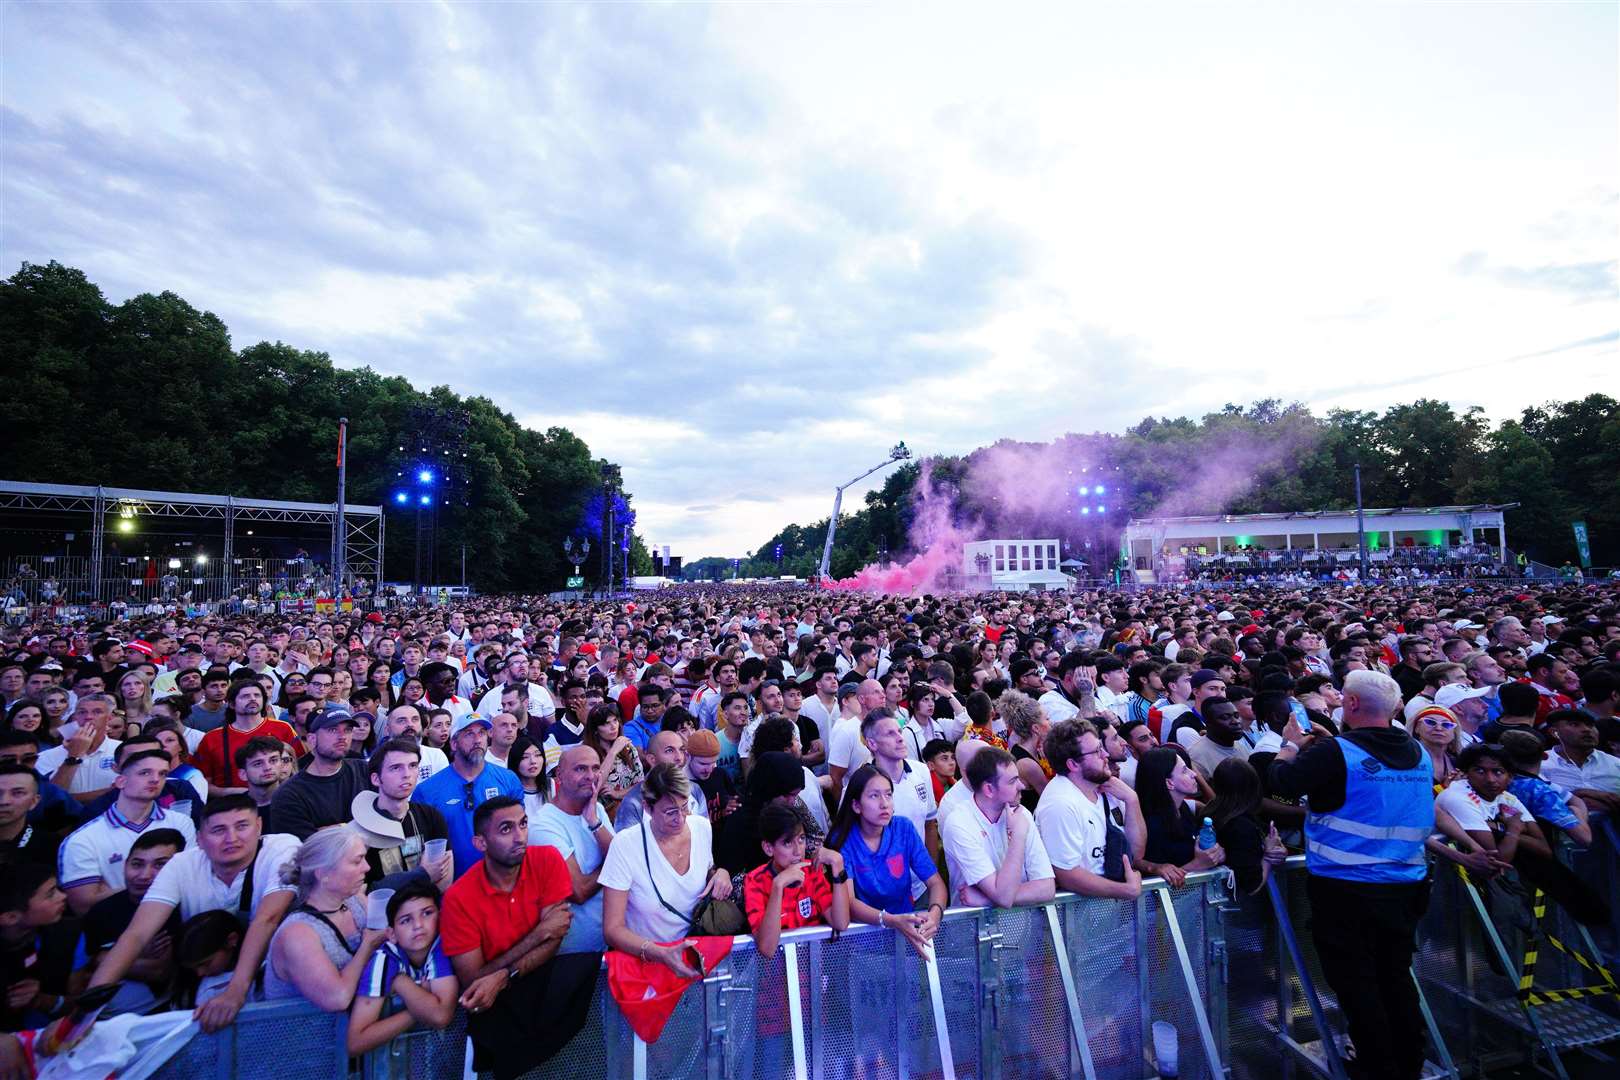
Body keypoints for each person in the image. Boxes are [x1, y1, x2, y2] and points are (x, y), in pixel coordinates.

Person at [1267, 669, 1434, 1080]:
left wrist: (1289, 745)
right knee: (1396, 980)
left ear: (1353, 704)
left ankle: (1377, 1068)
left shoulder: (1338, 752)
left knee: (1359, 987)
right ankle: (1408, 1064)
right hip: (1406, 886)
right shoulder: (1419, 752)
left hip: (1347, 892)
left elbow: (1281, 784)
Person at [89, 795, 301, 1033]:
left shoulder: (283, 848)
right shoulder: (182, 864)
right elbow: (137, 934)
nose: (231, 838)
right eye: (218, 830)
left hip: (277, 976)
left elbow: (267, 918)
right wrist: (86, 1011)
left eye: (242, 826)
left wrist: (235, 992)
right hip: (208, 979)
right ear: (199, 838)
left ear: (259, 827)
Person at [441, 797, 596, 1077]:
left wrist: (503, 975)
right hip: (497, 1020)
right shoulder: (458, 898)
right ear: (480, 843)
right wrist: (537, 934)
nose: (519, 836)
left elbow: (556, 936)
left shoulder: (547, 859)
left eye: (523, 824)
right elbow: (474, 981)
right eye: (505, 829)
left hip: (548, 1001)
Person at [600, 763, 733, 977]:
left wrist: (720, 873)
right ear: (647, 807)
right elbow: (612, 929)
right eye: (670, 812)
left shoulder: (701, 827)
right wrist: (661, 954)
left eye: (684, 807)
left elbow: (707, 869)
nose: (680, 819)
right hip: (645, 971)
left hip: (694, 960)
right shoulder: (625, 845)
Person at [58, 743, 198, 914]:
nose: (155, 779)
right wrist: (164, 881)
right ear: (121, 781)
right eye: (145, 773)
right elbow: (83, 905)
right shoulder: (82, 840)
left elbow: (190, 880)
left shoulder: (182, 823)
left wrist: (112, 889)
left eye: (162, 774)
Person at [263, 823, 387, 1008]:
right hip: (301, 1033)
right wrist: (367, 946)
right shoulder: (297, 934)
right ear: (323, 874)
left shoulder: (354, 901)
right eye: (357, 861)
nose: (367, 867)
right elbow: (338, 998)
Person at [827, 764, 946, 956]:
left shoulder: (903, 828)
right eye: (874, 796)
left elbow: (936, 883)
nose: (884, 803)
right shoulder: (843, 839)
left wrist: (935, 914)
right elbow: (848, 902)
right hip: (862, 945)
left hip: (905, 936)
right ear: (856, 805)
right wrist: (891, 920)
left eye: (889, 794)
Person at [346, 876, 459, 1055]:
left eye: (427, 913)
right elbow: (356, 1041)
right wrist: (418, 1005)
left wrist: (400, 982)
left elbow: (440, 1015)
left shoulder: (441, 945)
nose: (418, 925)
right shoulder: (384, 959)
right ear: (391, 934)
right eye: (406, 920)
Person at [1035, 719, 1145, 899]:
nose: (1105, 755)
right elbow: (1067, 875)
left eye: (1101, 747)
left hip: (1106, 910)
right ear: (1073, 764)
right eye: (1096, 751)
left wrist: (1132, 800)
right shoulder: (1060, 804)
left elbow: (1135, 853)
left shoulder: (1108, 789)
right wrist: (1125, 890)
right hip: (1075, 917)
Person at [82, 827, 187, 1016]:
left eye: (159, 865)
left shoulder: (182, 908)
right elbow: (88, 967)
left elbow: (159, 971)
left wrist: (108, 958)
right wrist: (139, 955)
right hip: (101, 1014)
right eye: (137, 864)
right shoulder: (102, 911)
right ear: (125, 865)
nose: (144, 875)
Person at [411, 711, 524, 878]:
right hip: (452, 889)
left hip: (503, 881)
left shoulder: (508, 779)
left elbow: (519, 831)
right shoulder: (427, 791)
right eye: (469, 734)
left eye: (482, 733)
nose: (478, 740)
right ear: (454, 743)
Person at [942, 745, 1056, 908]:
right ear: (989, 789)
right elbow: (1003, 897)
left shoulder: (1021, 813)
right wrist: (1018, 836)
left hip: (1023, 928)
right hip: (975, 929)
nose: (1022, 786)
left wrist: (987, 899)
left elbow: (1047, 888)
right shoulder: (959, 823)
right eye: (1012, 781)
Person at [531, 744, 615, 958]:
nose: (591, 776)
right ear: (559, 775)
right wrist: (612, 866)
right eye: (580, 769)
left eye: (596, 768)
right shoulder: (543, 825)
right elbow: (578, 891)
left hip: (605, 944)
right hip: (571, 952)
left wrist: (595, 823)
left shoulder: (596, 809)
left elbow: (622, 861)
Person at [743, 803, 849, 956]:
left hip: (815, 966)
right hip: (776, 973)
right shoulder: (754, 881)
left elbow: (840, 923)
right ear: (768, 848)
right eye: (787, 843)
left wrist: (838, 865)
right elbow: (767, 948)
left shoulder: (812, 870)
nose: (798, 851)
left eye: (801, 839)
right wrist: (778, 886)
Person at [351, 739, 453, 891]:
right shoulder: (358, 831)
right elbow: (360, 892)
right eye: (395, 768)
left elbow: (444, 878)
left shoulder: (431, 816)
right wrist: (423, 875)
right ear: (376, 779)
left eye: (412, 766)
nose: (407, 774)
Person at [267, 707, 369, 840]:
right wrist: (353, 827)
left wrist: (331, 830)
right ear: (312, 739)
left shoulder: (364, 770)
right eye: (332, 730)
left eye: (348, 730)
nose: (342, 737)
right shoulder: (289, 794)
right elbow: (308, 847)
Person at [1132, 746, 1225, 886]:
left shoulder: (1183, 808)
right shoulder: (1152, 825)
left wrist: (1216, 854)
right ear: (1169, 783)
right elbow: (1156, 889)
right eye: (1184, 770)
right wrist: (1199, 864)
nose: (1193, 774)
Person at [0, 864, 76, 1033]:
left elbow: (81, 1005)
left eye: (57, 888)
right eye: (50, 895)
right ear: (11, 917)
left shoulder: (70, 934)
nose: (63, 896)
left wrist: (41, 1000)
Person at [191, 680, 304, 791]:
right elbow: (203, 784)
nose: (253, 699)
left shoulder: (283, 728)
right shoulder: (212, 738)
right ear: (231, 704)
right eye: (245, 696)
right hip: (231, 804)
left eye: (257, 695)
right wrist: (230, 793)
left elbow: (299, 768)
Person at [1204, 758, 1287, 895]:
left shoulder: (1210, 813)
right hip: (1238, 908)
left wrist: (1278, 849)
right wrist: (1267, 857)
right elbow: (1252, 886)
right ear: (1253, 787)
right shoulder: (1242, 828)